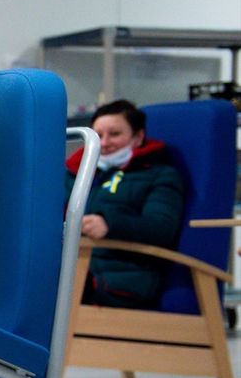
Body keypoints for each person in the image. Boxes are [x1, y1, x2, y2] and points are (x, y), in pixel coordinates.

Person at [66, 99, 185, 308]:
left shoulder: (159, 175)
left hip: (120, 279)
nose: (103, 143)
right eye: (98, 135)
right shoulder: (77, 172)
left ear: (138, 137)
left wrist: (109, 224)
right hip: (73, 269)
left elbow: (161, 228)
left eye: (115, 134)